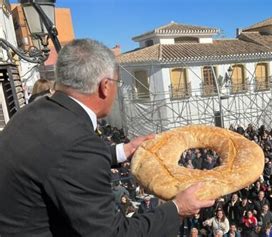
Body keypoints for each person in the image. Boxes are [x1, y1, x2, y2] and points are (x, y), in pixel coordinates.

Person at [0, 39, 214, 236]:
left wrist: (122, 151)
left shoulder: (34, 112)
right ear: (105, 86)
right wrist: (177, 208)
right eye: (117, 83)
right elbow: (113, 234)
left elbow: (57, 158)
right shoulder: (78, 145)